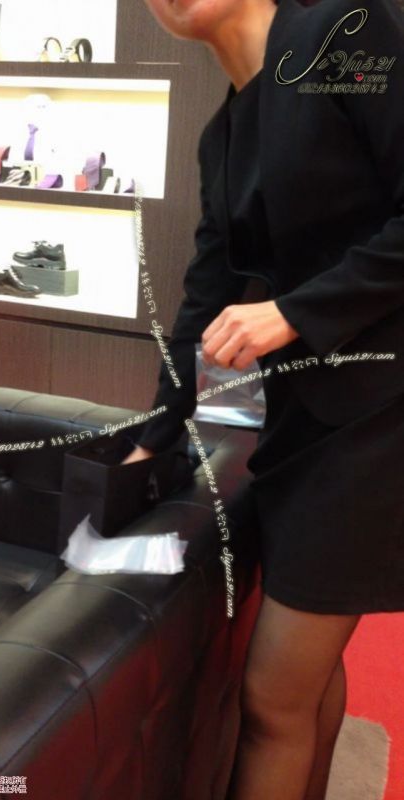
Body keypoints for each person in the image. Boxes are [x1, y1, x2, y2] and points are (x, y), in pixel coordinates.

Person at [122, 0, 404, 797]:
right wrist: (153, 434)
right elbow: (203, 295)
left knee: (271, 699)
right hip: (303, 422)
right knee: (308, 677)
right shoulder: (223, 135)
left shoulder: (345, 34)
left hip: (381, 419)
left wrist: (293, 312)